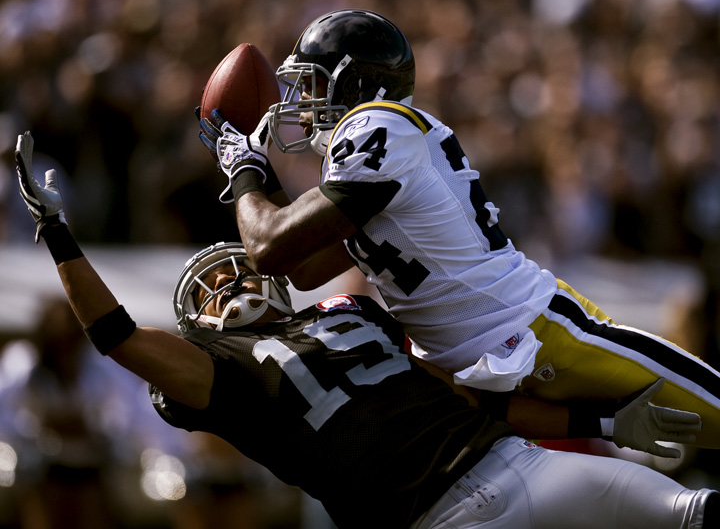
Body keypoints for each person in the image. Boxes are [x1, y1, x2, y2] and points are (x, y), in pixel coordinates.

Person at [12, 131, 720, 528]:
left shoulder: (354, 313)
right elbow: (117, 336)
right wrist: (58, 233)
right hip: (431, 520)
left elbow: (479, 398)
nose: (228, 287)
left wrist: (605, 417)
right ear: (196, 324)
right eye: (210, 290)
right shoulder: (221, 373)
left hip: (517, 461)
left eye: (232, 272)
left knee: (694, 512)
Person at [196, 8, 720, 453]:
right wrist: (253, 173)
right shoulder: (369, 150)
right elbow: (302, 266)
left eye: (310, 83)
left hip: (537, 333)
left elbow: (267, 247)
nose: (299, 103)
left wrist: (246, 168)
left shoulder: (379, 125)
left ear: (354, 81)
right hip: (478, 371)